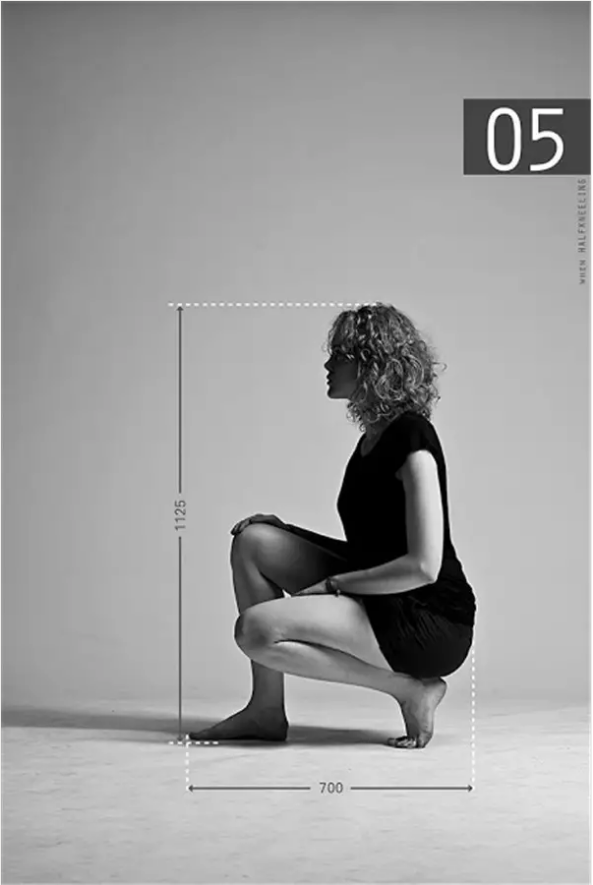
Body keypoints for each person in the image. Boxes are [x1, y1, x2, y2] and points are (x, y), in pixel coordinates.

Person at [189, 303, 476, 749]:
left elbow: (423, 567)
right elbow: (373, 547)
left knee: (255, 630)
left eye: (340, 355)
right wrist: (288, 534)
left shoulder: (413, 437)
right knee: (254, 541)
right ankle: (265, 711)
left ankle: (410, 690)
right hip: (381, 594)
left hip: (427, 619)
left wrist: (335, 585)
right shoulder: (371, 440)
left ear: (372, 365)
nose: (327, 364)